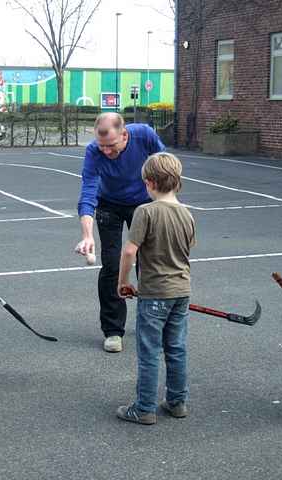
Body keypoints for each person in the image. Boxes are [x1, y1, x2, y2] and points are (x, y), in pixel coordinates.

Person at [115, 152, 196, 425]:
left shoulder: (145, 212)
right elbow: (187, 249)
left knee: (149, 351)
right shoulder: (187, 214)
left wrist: (123, 282)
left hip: (154, 293)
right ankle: (177, 401)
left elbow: (129, 252)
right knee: (176, 348)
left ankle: (144, 407)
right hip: (181, 290)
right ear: (177, 182)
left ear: (149, 183)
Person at [76, 112, 165, 353]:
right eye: (101, 145)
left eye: (111, 145)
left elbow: (165, 167)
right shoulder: (94, 151)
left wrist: (166, 204)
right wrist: (87, 235)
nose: (105, 151)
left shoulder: (144, 136)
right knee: (112, 266)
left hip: (143, 204)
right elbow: (88, 193)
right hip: (109, 205)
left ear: (124, 134)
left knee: (147, 264)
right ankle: (113, 331)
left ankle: (151, 322)